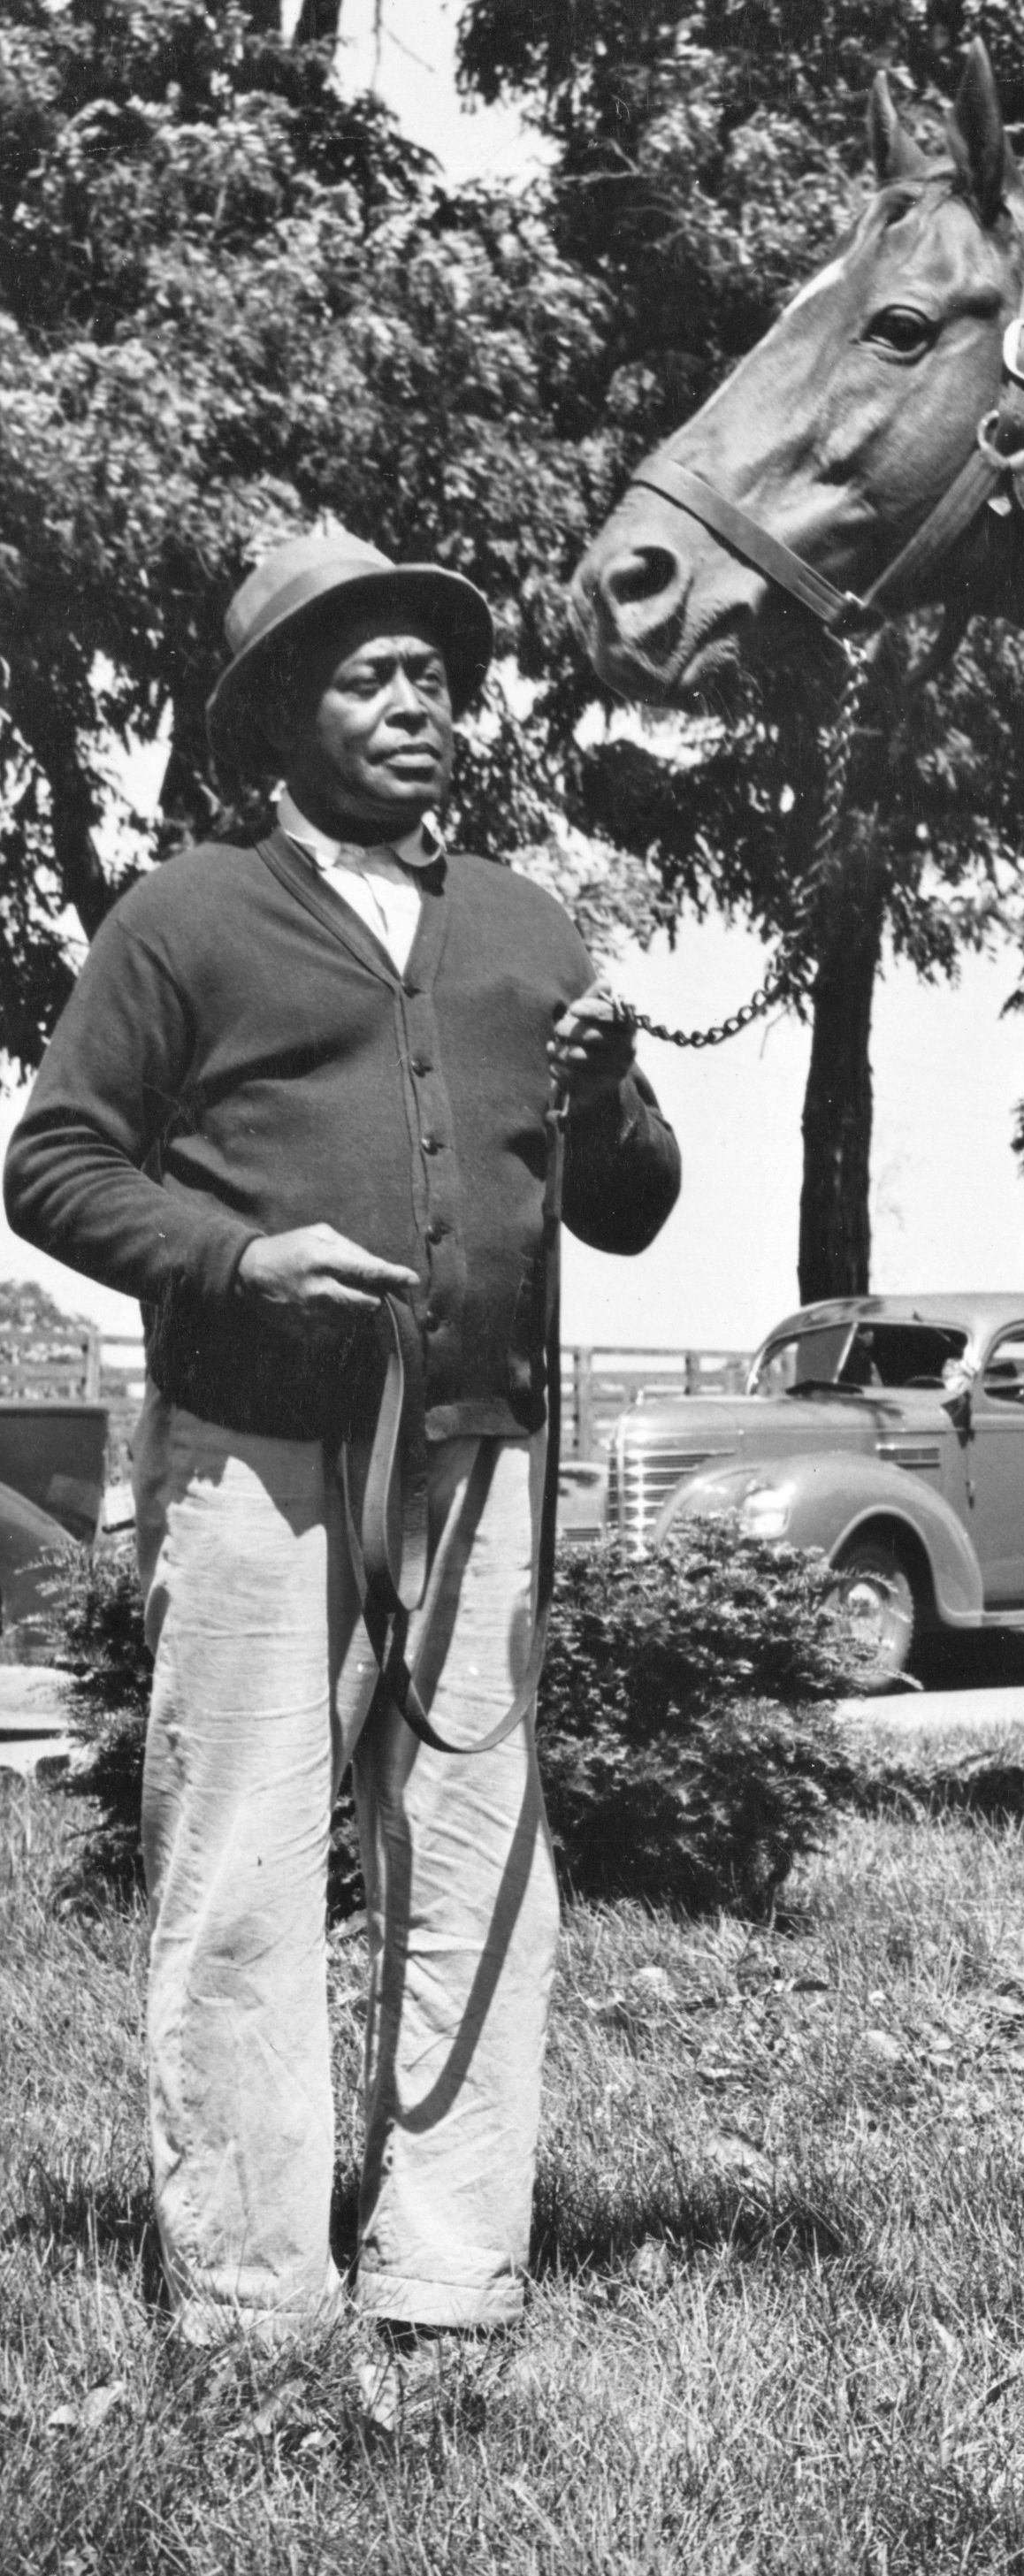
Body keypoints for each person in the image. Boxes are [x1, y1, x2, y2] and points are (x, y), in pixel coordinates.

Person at [4, 527, 681, 2343]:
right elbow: (49, 1165)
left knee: (478, 1859)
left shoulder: (526, 926)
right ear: (273, 724)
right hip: (258, 1462)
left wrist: (609, 1095)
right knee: (243, 1867)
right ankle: (250, 2295)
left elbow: (629, 1205)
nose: (419, 704)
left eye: (438, 679)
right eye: (369, 676)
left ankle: (451, 2270)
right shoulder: (185, 920)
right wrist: (236, 1256)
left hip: (481, 1460)